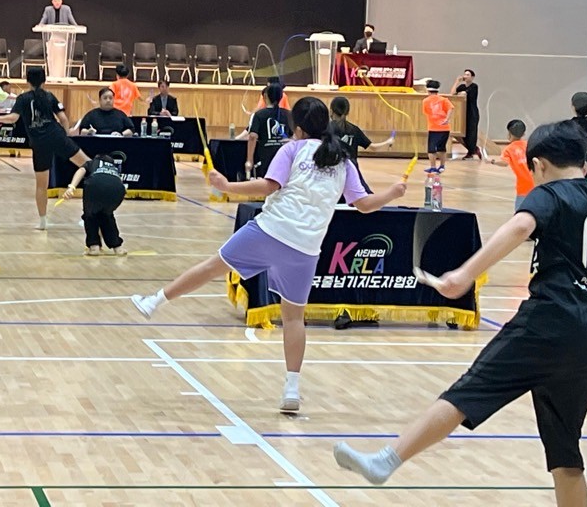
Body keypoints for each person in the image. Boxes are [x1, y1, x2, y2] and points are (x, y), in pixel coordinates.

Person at [334, 120, 587, 506]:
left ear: (538, 165)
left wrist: (463, 275)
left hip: (546, 322)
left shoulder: (550, 193)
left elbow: (520, 226)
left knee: (466, 393)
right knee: (565, 450)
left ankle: (387, 460)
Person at [131, 96, 407, 412]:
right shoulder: (343, 161)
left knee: (212, 267)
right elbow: (364, 205)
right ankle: (292, 389)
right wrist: (392, 193)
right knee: (293, 318)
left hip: (269, 231)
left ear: (298, 128)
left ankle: (154, 301)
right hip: (305, 248)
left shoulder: (292, 149)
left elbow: (267, 187)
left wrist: (226, 186)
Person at [0, 66, 92, 230]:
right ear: (44, 80)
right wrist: (66, 136)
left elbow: (12, 119)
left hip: (39, 143)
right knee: (89, 164)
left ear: (27, 81)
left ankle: (42, 222)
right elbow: (63, 119)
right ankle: (105, 190)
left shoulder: (22, 98)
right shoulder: (49, 96)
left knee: (41, 185)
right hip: (57, 136)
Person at [64, 153, 128, 256]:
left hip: (95, 186)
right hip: (118, 190)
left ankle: (94, 246)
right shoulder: (114, 168)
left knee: (90, 215)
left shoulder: (92, 163)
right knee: (107, 216)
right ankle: (118, 247)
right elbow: (119, 182)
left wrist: (71, 187)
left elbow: (81, 170)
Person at [328, 95, 394, 192]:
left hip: (332, 171)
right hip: (352, 170)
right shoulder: (354, 130)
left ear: (331, 111)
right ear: (347, 112)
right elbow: (373, 147)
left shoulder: (326, 129)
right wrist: (387, 142)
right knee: (366, 195)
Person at [239, 82, 291, 178]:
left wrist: (249, 160)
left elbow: (252, 136)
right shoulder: (289, 114)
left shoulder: (259, 115)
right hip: (285, 155)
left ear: (265, 96)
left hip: (266, 156)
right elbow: (295, 135)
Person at [489, 119, 535, 211]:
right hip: (536, 184)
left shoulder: (509, 149)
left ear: (509, 134)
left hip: (523, 187)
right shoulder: (529, 145)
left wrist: (492, 161)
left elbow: (504, 163)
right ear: (523, 133)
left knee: (519, 211)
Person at [421, 80, 453, 173]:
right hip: (445, 128)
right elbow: (451, 108)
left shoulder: (425, 101)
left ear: (427, 90)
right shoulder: (444, 99)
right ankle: (442, 166)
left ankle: (433, 167)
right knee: (441, 148)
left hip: (433, 128)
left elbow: (426, 112)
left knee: (431, 149)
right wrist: (447, 119)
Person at [454, 69, 481, 160]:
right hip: (463, 113)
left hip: (472, 113)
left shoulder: (474, 86)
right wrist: (457, 82)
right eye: (464, 74)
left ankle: (471, 152)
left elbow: (465, 94)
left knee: (471, 133)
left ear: (472, 77)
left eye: (468, 75)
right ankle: (474, 149)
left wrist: (462, 93)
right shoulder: (461, 86)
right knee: (462, 133)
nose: (465, 76)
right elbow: (452, 93)